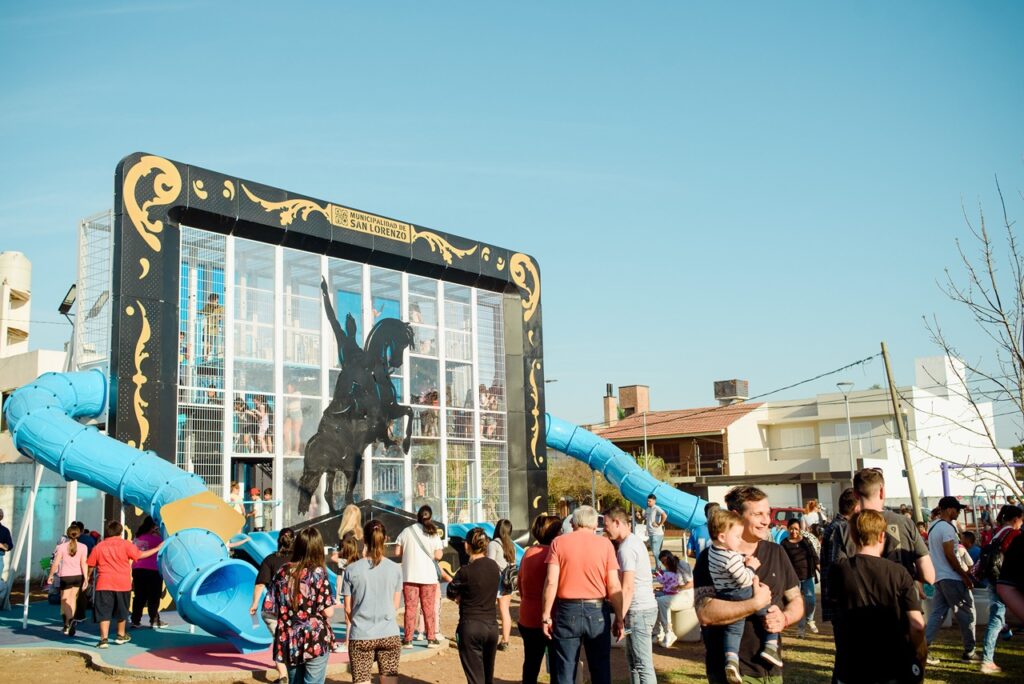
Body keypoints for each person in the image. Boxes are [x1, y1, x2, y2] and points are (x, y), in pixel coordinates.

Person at [694, 486, 802, 684]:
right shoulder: (709, 559)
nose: (766, 521)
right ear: (737, 516)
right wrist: (754, 604)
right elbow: (705, 613)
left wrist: (785, 618)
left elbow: (795, 598)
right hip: (731, 674)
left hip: (771, 672)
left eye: (767, 513)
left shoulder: (776, 552)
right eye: (758, 514)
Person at [828, 510, 926, 683]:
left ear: (851, 536)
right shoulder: (900, 573)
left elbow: (835, 610)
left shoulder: (839, 571)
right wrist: (919, 651)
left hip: (852, 664)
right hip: (892, 664)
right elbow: (917, 624)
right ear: (882, 536)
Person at [540, 505, 624, 684]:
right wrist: (619, 617)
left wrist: (546, 615)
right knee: (600, 667)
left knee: (566, 668)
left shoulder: (559, 543)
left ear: (573, 522)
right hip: (597, 610)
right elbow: (614, 584)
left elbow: (551, 582)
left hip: (567, 610)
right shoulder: (605, 544)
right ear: (595, 524)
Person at [707, 508, 782, 682]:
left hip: (725, 595)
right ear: (723, 537)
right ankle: (771, 646)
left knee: (733, 631)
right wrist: (751, 567)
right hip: (742, 593)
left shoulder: (712, 552)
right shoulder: (731, 558)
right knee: (768, 610)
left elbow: (728, 561)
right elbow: (743, 578)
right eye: (737, 537)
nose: (740, 541)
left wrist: (741, 557)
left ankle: (731, 660)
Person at [265, 527, 334, 684]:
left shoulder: (281, 572)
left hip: (289, 637)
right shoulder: (317, 572)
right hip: (314, 637)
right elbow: (329, 612)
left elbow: (270, 607)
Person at [342, 519, 403, 684]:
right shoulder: (395, 569)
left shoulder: (351, 569)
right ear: (385, 539)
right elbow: (395, 605)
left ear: (364, 540)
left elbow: (347, 608)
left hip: (361, 635)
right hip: (389, 633)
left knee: (361, 680)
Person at [86, 520, 162, 648]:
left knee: (104, 611)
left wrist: (88, 578)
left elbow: (91, 565)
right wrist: (157, 548)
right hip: (122, 583)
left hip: (104, 583)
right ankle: (120, 635)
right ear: (120, 532)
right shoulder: (125, 544)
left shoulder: (99, 546)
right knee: (122, 610)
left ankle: (103, 639)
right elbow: (140, 555)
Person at [604, 506, 658, 684]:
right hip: (638, 609)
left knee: (643, 665)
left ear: (617, 522)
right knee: (634, 663)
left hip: (638, 610)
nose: (605, 529)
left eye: (606, 525)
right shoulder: (633, 542)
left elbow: (627, 588)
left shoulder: (626, 548)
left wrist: (619, 618)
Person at [852, 469, 935, 584]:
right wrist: (910, 573)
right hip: (903, 596)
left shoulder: (847, 527)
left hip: (861, 598)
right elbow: (929, 576)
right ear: (882, 491)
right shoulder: (905, 523)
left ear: (855, 494)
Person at [924, 496, 978, 664]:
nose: (958, 512)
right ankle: (970, 652)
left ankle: (922, 648)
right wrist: (964, 576)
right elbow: (950, 554)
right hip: (951, 577)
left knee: (937, 614)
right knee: (967, 613)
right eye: (956, 509)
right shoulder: (947, 528)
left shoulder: (933, 526)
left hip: (939, 577)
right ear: (948, 509)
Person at [448, 527, 502, 684]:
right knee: (487, 677)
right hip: (491, 627)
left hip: (470, 626)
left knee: (475, 679)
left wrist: (460, 596)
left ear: (467, 545)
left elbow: (451, 592)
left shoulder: (465, 571)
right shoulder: (494, 567)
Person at [978, 504, 1023, 674]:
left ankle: (1006, 633)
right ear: (1015, 519)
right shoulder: (1013, 534)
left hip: (992, 578)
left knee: (998, 613)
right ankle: (987, 661)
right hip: (1004, 580)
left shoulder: (996, 532)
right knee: (996, 617)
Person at [518, 515, 561, 684]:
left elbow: (521, 583)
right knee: (557, 664)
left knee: (531, 662)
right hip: (550, 616)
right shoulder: (553, 555)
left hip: (527, 614)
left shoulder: (529, 552)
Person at [394, 505, 443, 647]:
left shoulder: (406, 531)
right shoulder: (433, 533)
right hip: (428, 577)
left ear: (417, 516)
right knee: (428, 608)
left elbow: (397, 552)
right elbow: (438, 555)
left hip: (410, 576)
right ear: (431, 517)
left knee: (410, 608)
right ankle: (431, 638)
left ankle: (408, 639)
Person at [250, 528, 294, 682]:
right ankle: (293, 670)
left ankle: (283, 675)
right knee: (293, 638)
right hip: (294, 608)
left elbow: (260, 584)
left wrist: (254, 603)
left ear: (278, 541)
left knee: (278, 639)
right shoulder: (300, 559)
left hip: (273, 609)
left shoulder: (269, 560)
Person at [819, 487, 859, 624]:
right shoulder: (842, 528)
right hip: (841, 599)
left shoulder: (835, 526)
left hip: (836, 597)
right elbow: (836, 565)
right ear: (856, 507)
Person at [46, 525, 89, 636]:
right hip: (78, 576)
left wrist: (50, 575)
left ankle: (69, 621)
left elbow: (56, 562)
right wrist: (86, 578)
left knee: (65, 600)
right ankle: (69, 622)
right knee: (72, 599)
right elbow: (84, 563)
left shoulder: (61, 547)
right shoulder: (83, 547)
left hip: (65, 576)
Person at [781, 518, 819, 637]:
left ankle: (810, 619)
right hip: (794, 578)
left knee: (811, 601)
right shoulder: (784, 544)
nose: (794, 531)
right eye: (791, 529)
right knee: (798, 603)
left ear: (800, 530)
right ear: (788, 529)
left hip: (807, 575)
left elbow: (814, 556)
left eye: (796, 529)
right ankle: (801, 629)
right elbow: (782, 562)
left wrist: (819, 568)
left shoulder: (805, 541)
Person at [130, 516, 165, 629]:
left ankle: (135, 621)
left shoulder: (137, 538)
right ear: (154, 526)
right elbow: (165, 548)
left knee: (139, 596)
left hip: (137, 569)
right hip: (153, 570)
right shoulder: (158, 539)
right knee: (153, 597)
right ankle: (154, 620)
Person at [653, 550, 694, 648]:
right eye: (662, 562)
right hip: (676, 594)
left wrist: (678, 588)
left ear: (669, 558)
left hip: (686, 596)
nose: (664, 564)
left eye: (664, 561)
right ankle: (658, 633)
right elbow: (672, 583)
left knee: (662, 601)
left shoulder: (682, 564)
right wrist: (664, 588)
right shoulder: (671, 567)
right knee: (655, 598)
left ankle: (668, 632)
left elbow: (691, 583)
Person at [487, 518, 516, 650]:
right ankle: (505, 640)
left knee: (489, 611)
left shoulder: (493, 544)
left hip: (496, 581)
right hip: (508, 581)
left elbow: (490, 563)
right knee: (505, 611)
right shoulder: (511, 545)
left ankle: (489, 639)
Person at [645, 495, 667, 571]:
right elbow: (647, 519)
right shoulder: (648, 509)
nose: (648, 502)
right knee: (655, 552)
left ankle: (659, 569)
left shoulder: (656, 508)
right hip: (650, 533)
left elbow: (664, 515)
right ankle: (659, 567)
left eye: (650, 501)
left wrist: (660, 524)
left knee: (655, 552)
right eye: (648, 501)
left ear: (654, 501)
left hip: (657, 534)